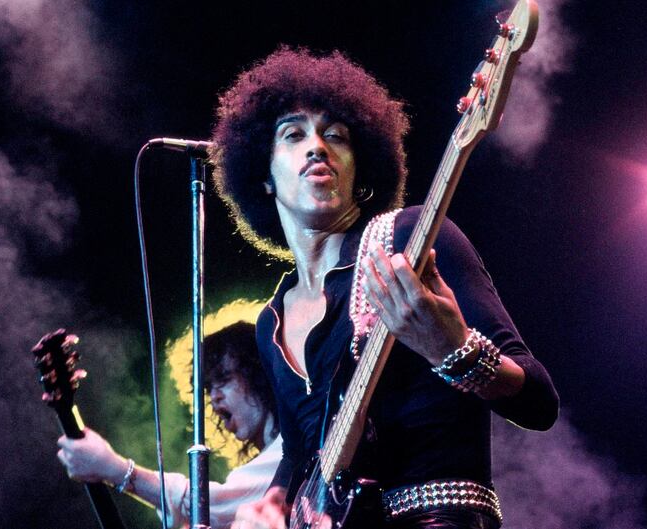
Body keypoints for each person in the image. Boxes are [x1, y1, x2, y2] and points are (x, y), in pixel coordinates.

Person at [209, 47, 560, 529]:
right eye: (293, 134)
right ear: (262, 175)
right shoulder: (271, 320)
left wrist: (453, 351)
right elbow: (299, 458)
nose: (317, 146)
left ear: (361, 168)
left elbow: (539, 401)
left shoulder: (409, 240)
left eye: (336, 135)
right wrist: (271, 504)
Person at [56, 321, 282, 529]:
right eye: (208, 388)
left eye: (223, 379)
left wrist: (115, 468)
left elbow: (207, 507)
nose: (214, 397)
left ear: (259, 374)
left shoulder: (287, 450)